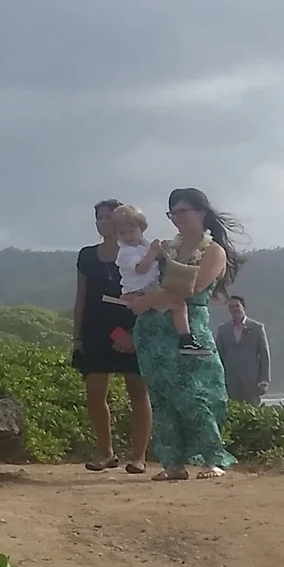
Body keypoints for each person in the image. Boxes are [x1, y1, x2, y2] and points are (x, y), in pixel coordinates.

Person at [121, 187, 242, 480]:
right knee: (162, 397)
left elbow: (192, 288)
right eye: (172, 213)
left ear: (201, 212)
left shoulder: (213, 251)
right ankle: (172, 462)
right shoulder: (169, 249)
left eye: (182, 212)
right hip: (153, 331)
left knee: (194, 393)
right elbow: (150, 278)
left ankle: (213, 457)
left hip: (188, 327)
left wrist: (147, 301)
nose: (176, 218)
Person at [72, 200, 151, 473]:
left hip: (132, 324)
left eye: (108, 217)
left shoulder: (140, 254)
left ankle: (139, 456)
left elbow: (150, 291)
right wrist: (77, 337)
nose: (102, 222)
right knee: (94, 392)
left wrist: (132, 332)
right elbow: (81, 297)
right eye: (99, 218)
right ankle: (106, 453)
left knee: (137, 390)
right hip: (96, 326)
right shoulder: (86, 255)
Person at [107, 204, 203, 356]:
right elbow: (141, 268)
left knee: (172, 307)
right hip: (139, 290)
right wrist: (153, 251)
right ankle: (186, 339)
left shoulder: (142, 246)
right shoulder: (125, 252)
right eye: (122, 233)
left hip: (149, 287)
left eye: (132, 231)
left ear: (141, 229)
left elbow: (156, 260)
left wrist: (162, 250)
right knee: (178, 305)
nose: (128, 236)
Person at [218, 295, 271, 404]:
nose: (234, 309)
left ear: (244, 307)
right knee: (234, 410)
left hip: (252, 380)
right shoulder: (223, 329)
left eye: (237, 306)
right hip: (231, 379)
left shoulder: (257, 327)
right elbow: (219, 355)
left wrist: (265, 380)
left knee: (253, 410)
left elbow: (264, 355)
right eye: (231, 306)